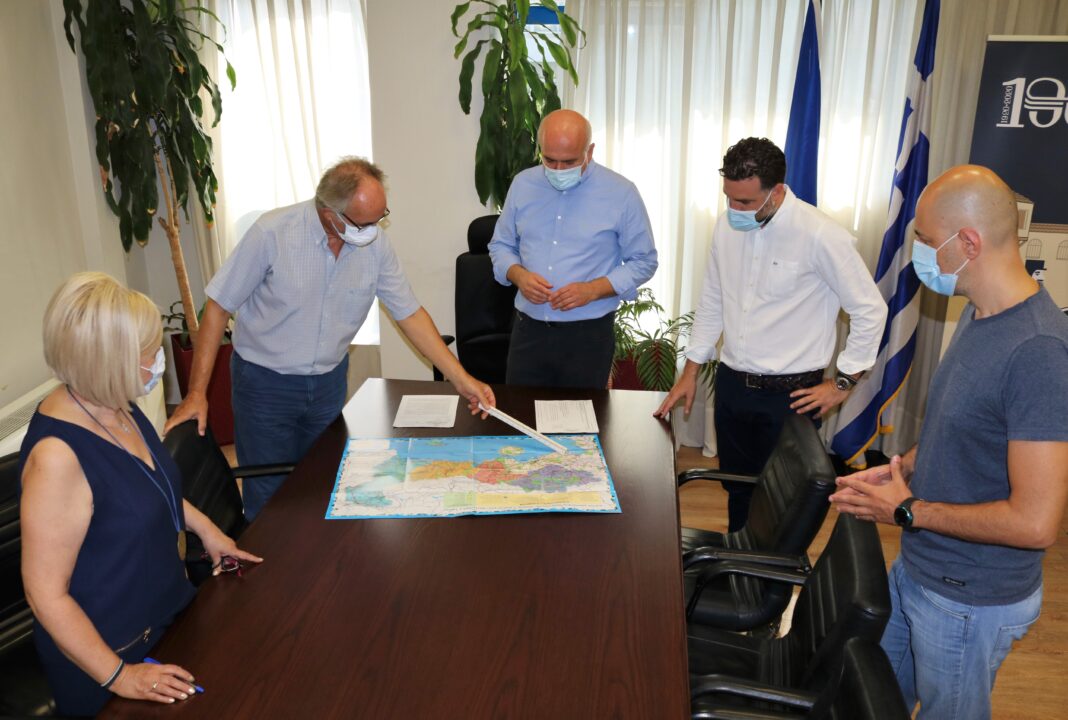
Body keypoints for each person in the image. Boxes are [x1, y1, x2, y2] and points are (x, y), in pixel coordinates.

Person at [830, 165, 1068, 720]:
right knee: (871, 702)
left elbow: (1036, 523)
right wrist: (905, 470)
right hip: (921, 566)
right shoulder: (979, 313)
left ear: (969, 243)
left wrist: (907, 511)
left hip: (968, 599)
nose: (918, 251)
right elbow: (966, 430)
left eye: (925, 239)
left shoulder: (1037, 352)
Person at [164, 157, 495, 520]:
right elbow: (218, 307)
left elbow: (409, 314)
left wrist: (461, 378)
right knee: (270, 495)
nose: (375, 229)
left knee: (324, 482)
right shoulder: (272, 233)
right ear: (329, 214)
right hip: (265, 384)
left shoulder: (375, 245)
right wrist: (196, 393)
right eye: (366, 222)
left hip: (328, 383)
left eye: (381, 217)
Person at [20, 272, 262, 716]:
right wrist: (121, 676)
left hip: (167, 614)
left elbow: (148, 485)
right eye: (149, 353)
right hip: (111, 654)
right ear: (108, 362)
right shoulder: (57, 459)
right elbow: (45, 596)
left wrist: (208, 530)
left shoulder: (114, 404)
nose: (159, 360)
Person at [655, 137, 886, 532]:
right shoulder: (726, 227)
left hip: (791, 396)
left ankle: (770, 570)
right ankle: (737, 560)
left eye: (745, 202)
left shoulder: (820, 235)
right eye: (729, 198)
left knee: (784, 501)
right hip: (733, 386)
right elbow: (713, 300)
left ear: (777, 191)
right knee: (737, 489)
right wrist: (690, 371)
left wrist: (843, 383)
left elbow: (870, 309)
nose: (734, 209)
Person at [488, 109, 658, 388]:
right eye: (549, 160)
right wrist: (518, 275)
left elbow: (644, 261)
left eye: (568, 162)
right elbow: (501, 244)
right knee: (520, 412)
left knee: (583, 415)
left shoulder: (621, 193)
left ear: (589, 152)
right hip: (528, 331)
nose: (557, 170)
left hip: (587, 336)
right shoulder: (523, 184)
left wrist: (593, 290)